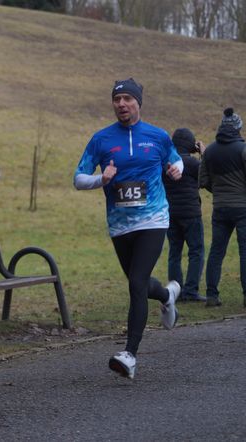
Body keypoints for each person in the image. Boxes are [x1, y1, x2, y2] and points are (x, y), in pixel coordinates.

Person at [73, 78, 183, 380]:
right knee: (141, 284)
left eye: (127, 99)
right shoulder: (101, 139)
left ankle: (129, 354)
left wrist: (176, 169)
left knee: (135, 283)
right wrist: (101, 180)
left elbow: (176, 161)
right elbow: (78, 177)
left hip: (153, 219)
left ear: (138, 103)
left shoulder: (157, 136)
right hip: (120, 224)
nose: (121, 104)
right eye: (117, 99)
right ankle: (166, 295)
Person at [199, 108, 246, 308]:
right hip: (242, 208)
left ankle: (211, 295)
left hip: (219, 208)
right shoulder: (243, 149)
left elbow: (203, 180)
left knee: (217, 251)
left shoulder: (209, 150)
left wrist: (218, 190)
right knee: (245, 252)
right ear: (238, 128)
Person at [162, 128, 207, 302]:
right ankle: (191, 291)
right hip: (191, 214)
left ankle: (176, 292)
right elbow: (206, 176)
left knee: (175, 252)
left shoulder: (166, 162)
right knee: (196, 251)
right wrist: (203, 153)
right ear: (191, 144)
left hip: (170, 213)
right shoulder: (193, 163)